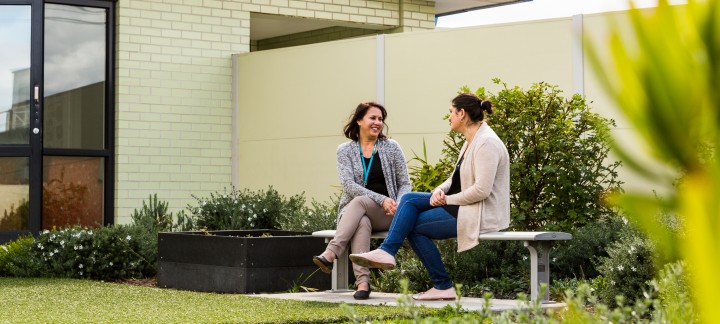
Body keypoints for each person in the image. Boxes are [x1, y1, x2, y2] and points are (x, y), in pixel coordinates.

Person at [349, 93, 510, 301]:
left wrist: (447, 200)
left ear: (462, 114)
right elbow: (454, 178)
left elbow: (482, 191)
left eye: (451, 112)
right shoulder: (473, 139)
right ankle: (394, 256)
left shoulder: (486, 143)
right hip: (460, 206)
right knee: (408, 201)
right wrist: (439, 191)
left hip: (477, 212)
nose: (449, 117)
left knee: (412, 223)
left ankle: (436, 281)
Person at [313, 101, 412, 300]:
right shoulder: (345, 150)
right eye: (372, 118)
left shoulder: (391, 147)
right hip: (358, 213)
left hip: (389, 213)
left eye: (380, 119)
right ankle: (363, 283)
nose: (378, 123)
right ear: (359, 120)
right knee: (362, 219)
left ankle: (331, 253)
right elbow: (348, 185)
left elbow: (405, 183)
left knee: (358, 202)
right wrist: (381, 198)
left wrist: (398, 204)